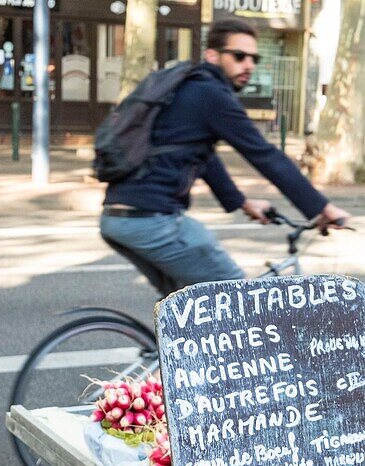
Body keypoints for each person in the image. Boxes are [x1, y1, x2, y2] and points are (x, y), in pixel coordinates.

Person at [100, 16, 349, 292]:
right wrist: (321, 209)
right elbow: (265, 156)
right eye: (239, 56)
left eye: (254, 58)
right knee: (237, 299)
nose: (248, 65)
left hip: (118, 217)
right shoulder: (212, 95)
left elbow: (202, 157)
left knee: (187, 313)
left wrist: (242, 203)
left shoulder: (189, 88)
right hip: (152, 221)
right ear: (212, 55)